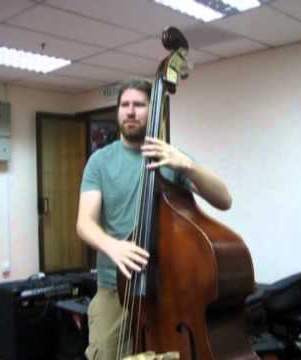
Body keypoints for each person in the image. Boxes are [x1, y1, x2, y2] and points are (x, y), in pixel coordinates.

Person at [76, 79, 232, 360]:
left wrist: (187, 165)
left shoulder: (170, 158)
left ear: (153, 110)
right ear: (118, 112)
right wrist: (113, 246)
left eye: (139, 105)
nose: (131, 111)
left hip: (168, 293)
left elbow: (224, 199)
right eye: (125, 105)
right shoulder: (99, 162)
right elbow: (84, 224)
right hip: (115, 288)